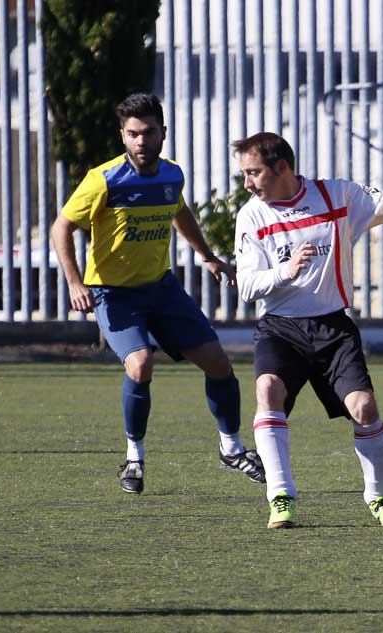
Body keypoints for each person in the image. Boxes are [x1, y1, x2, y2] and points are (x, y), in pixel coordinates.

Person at [51, 93, 265, 494]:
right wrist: (75, 282)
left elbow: (179, 211)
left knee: (219, 364)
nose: (141, 141)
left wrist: (208, 257)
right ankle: (134, 459)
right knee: (141, 365)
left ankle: (232, 449)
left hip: (162, 289)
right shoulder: (103, 180)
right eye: (133, 133)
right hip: (114, 294)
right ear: (122, 135)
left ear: (162, 133)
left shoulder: (171, 175)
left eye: (149, 132)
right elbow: (61, 227)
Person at [232, 132, 383, 529]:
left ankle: (380, 497)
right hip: (280, 328)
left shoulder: (335, 196)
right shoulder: (252, 216)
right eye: (244, 174)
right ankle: (280, 495)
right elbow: (246, 286)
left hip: (333, 327)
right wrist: (285, 271)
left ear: (282, 168)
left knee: (364, 408)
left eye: (253, 172)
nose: (247, 183)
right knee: (268, 389)